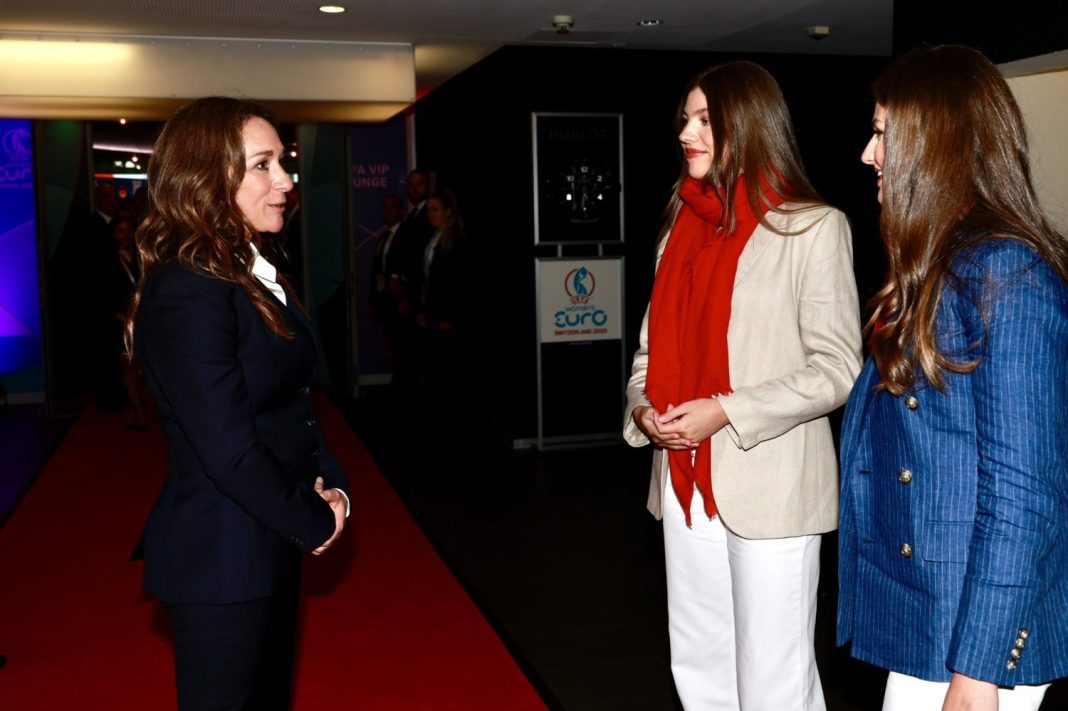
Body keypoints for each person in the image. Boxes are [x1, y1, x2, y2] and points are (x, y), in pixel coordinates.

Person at [623, 61, 862, 710]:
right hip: (682, 479)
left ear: (747, 126)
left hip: (771, 483)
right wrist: (644, 409)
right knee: (698, 663)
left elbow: (837, 366)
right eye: (685, 119)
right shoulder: (678, 229)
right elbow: (648, 351)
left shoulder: (812, 227)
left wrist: (726, 411)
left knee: (774, 677)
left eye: (704, 120)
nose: (686, 132)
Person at [836, 45, 1068, 711]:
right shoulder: (945, 266)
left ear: (932, 142)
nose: (867, 153)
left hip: (970, 640)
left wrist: (980, 670)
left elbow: (1024, 497)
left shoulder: (1009, 278)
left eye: (882, 133)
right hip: (932, 620)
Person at [125, 97, 351, 710]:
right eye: (263, 164)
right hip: (221, 560)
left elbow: (287, 404)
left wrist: (331, 484)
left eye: (284, 162)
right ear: (207, 177)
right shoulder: (188, 288)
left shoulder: (245, 269)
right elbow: (228, 449)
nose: (284, 180)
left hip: (267, 537)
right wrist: (313, 519)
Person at [416, 190, 470, 412]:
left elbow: (460, 285)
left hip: (447, 318)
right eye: (428, 209)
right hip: (433, 315)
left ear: (448, 212)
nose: (430, 214)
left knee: (447, 372)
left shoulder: (456, 242)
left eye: (435, 209)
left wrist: (451, 318)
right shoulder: (434, 239)